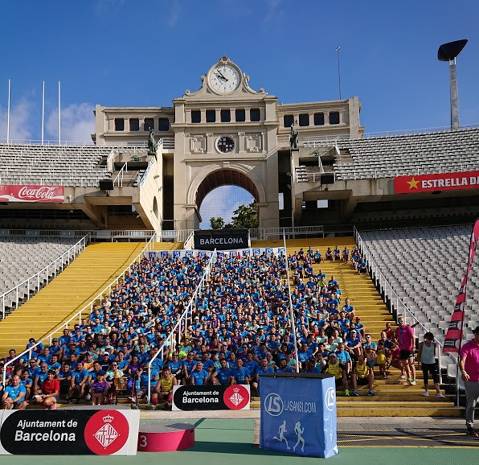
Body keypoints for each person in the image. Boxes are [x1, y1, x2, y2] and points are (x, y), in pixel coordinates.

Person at [459, 326, 479, 438]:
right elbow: (462, 360)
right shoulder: (467, 346)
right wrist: (463, 371)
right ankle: (470, 426)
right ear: (475, 334)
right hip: (472, 380)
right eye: (478, 334)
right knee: (472, 403)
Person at [418, 332, 444, 398]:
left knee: (435, 377)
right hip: (424, 363)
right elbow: (419, 354)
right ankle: (426, 391)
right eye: (427, 339)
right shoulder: (421, 344)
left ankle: (438, 392)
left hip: (432, 362)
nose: (429, 340)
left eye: (430, 339)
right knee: (425, 377)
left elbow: (434, 354)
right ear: (425, 338)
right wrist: (419, 363)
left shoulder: (434, 344)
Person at [396, 317, 416, 385]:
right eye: (399, 321)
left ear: (404, 321)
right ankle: (409, 378)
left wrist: (413, 346)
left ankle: (414, 379)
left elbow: (413, 337)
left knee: (411, 364)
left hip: (409, 349)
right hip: (402, 349)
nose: (400, 322)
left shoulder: (408, 327)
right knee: (406, 365)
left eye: (401, 321)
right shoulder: (398, 329)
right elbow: (398, 338)